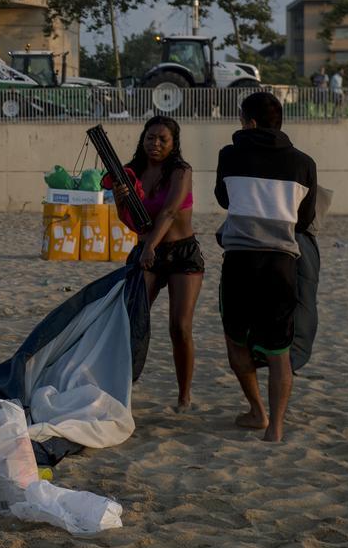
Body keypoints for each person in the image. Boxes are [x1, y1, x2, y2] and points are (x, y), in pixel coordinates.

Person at [215, 92, 317, 442]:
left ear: (251, 122)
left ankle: (256, 411)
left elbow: (224, 198)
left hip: (240, 263)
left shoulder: (229, 155)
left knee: (235, 341)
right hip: (281, 265)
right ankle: (275, 427)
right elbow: (304, 221)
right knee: (279, 350)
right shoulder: (304, 163)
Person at [110, 116, 203, 410]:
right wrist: (119, 200)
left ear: (174, 143)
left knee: (179, 326)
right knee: (131, 323)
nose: (156, 144)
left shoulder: (181, 171)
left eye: (163, 139)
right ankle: (121, 389)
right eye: (151, 138)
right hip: (147, 252)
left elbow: (171, 211)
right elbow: (130, 221)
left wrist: (150, 245)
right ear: (143, 139)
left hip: (181, 253)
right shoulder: (132, 172)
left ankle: (184, 396)